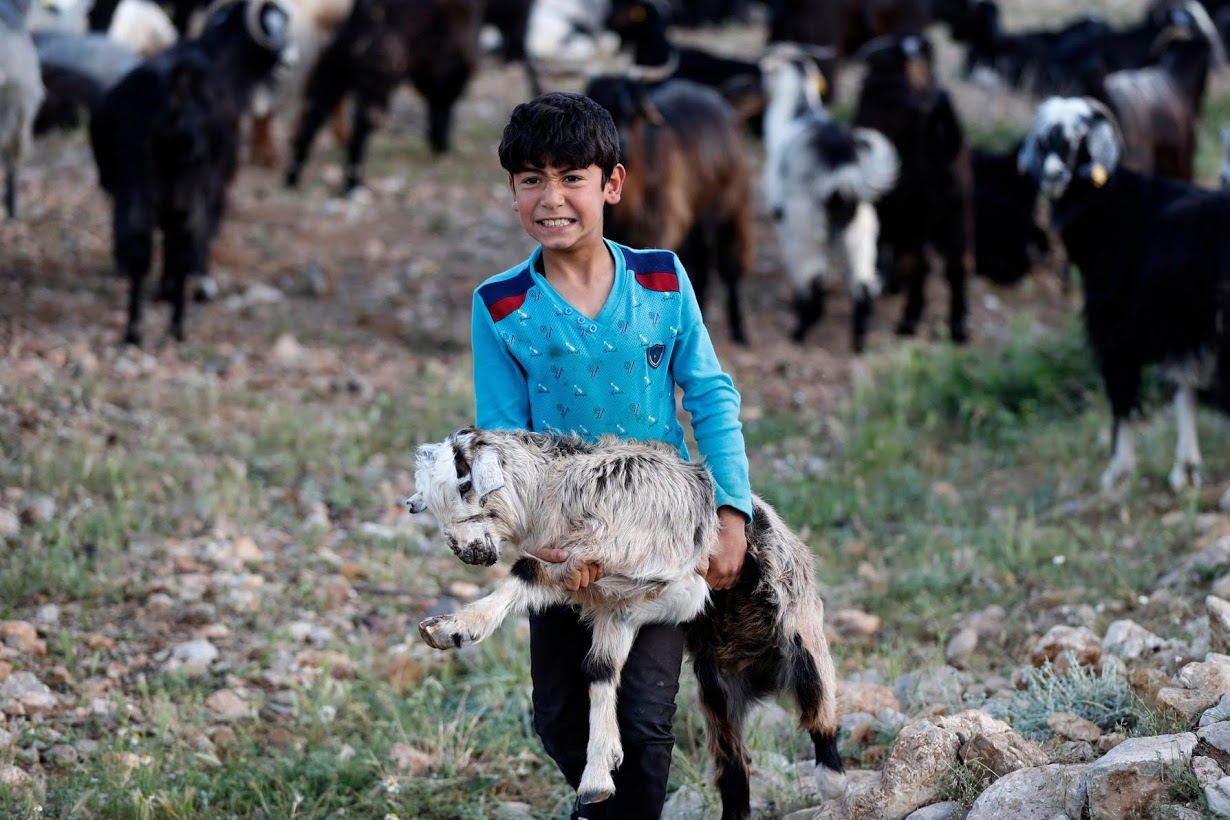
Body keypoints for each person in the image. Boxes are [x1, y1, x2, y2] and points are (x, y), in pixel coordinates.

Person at [471, 91, 753, 819]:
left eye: (572, 177)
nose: (552, 197)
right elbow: (503, 439)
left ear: (612, 185)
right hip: (561, 545)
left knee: (642, 720)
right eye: (531, 179)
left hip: (658, 537)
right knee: (561, 719)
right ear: (512, 192)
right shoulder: (499, 305)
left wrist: (731, 513)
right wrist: (522, 529)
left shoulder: (662, 277)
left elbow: (711, 394)